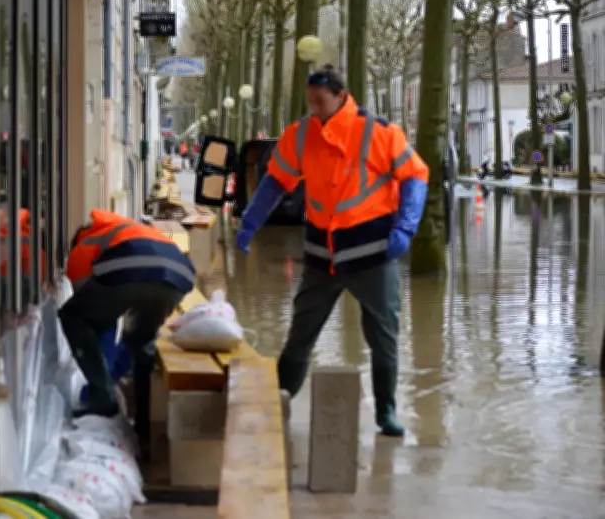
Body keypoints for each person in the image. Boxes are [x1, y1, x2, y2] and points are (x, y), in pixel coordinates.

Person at [235, 64, 429, 436]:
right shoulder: (301, 134)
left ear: (341, 96)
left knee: (384, 334)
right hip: (322, 254)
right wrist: (250, 221)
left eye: (321, 102)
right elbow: (276, 181)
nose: (315, 109)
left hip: (373, 251)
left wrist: (406, 225)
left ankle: (386, 412)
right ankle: (278, 402)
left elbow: (414, 176)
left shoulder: (380, 132)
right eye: (310, 102)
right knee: (301, 330)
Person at [59, 209, 196, 442]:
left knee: (72, 317)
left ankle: (103, 400)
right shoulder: (125, 230)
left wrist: (100, 380)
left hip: (132, 268)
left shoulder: (83, 246)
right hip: (179, 275)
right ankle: (144, 424)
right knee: (141, 343)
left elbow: (95, 319)